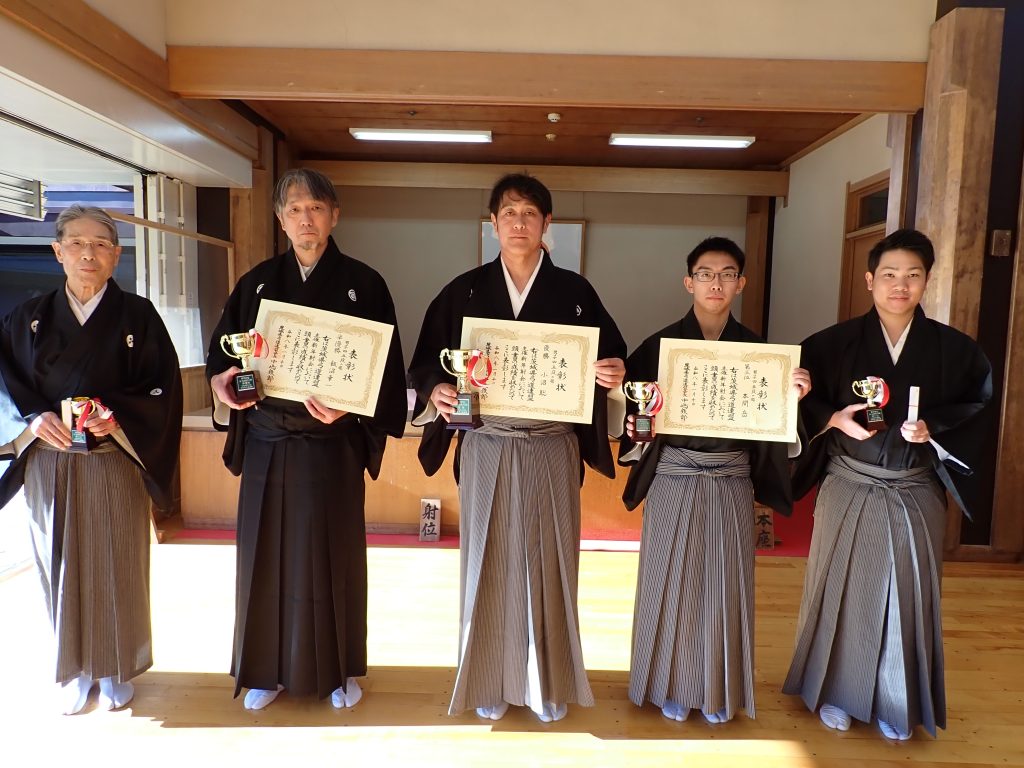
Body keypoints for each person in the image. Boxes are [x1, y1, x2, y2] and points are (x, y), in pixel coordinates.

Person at [409, 173, 626, 723]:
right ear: (493, 224)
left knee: (551, 560)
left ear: (547, 224)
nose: (519, 222)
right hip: (487, 441)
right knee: (488, 560)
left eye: (530, 213)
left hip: (552, 446)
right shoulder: (463, 291)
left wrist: (612, 373)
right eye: (509, 212)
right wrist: (436, 388)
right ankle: (489, 676)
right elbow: (426, 362)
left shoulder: (575, 293)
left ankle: (547, 684)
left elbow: (614, 356)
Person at [206, 168, 407, 711]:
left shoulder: (364, 284)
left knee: (333, 557)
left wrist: (352, 405)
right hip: (268, 442)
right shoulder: (257, 283)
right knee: (263, 557)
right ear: (280, 220)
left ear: (334, 215)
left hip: (331, 444)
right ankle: (264, 672)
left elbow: (387, 370)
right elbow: (224, 354)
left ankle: (338, 670)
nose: (305, 219)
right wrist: (222, 383)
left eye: (316, 208)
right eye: (294, 209)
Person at [782, 229, 992, 740]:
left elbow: (977, 406)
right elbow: (797, 395)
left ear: (926, 281)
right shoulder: (830, 344)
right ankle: (836, 694)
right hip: (849, 482)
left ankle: (895, 703)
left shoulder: (955, 350)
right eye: (890, 274)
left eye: (913, 275)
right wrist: (830, 417)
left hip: (914, 487)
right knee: (843, 590)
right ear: (870, 279)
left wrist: (933, 429)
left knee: (908, 595)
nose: (901, 285)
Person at [619, 237, 810, 724]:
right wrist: (635, 424)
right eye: (705, 274)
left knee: (725, 581)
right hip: (674, 474)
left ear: (740, 283)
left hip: (730, 476)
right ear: (689, 282)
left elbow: (778, 429)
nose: (716, 283)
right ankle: (669, 685)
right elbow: (632, 418)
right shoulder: (658, 347)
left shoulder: (762, 354)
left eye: (727, 274)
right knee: (670, 580)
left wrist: (794, 399)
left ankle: (717, 687)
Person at [0, 205, 182, 714]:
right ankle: (74, 669)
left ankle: (116, 666)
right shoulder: (28, 317)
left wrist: (117, 415)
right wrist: (32, 418)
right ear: (57, 251)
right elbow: (5, 382)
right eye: (77, 243)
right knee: (57, 562)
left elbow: (162, 387)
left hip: (112, 458)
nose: (88, 253)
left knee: (118, 561)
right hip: (50, 457)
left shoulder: (138, 316)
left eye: (100, 244)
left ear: (116, 255)